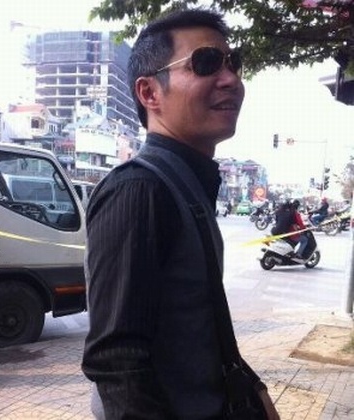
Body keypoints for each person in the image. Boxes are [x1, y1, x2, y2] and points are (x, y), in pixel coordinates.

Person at [82, 8, 280, 420]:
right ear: (150, 93)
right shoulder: (139, 189)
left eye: (233, 63)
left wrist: (252, 389)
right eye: (206, 63)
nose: (230, 79)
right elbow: (117, 364)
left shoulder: (185, 182)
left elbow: (198, 328)